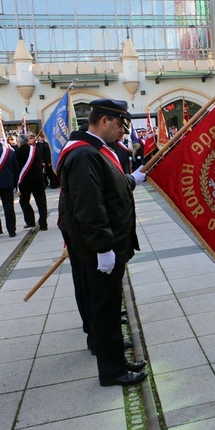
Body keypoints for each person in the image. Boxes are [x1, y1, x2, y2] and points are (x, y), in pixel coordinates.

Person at [58, 98, 147, 387]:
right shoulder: (85, 155)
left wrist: (131, 180)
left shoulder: (95, 151)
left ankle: (108, 353)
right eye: (121, 125)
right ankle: (113, 370)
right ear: (105, 120)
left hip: (104, 244)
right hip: (101, 248)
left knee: (103, 306)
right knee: (106, 308)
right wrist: (103, 248)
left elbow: (109, 188)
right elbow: (89, 208)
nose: (123, 132)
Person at [16, 135, 48, 230]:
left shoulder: (17, 152)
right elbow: (40, 162)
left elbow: (16, 167)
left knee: (24, 201)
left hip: (24, 181)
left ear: (20, 142)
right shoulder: (35, 150)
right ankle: (43, 224)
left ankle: (30, 221)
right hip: (37, 179)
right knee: (41, 203)